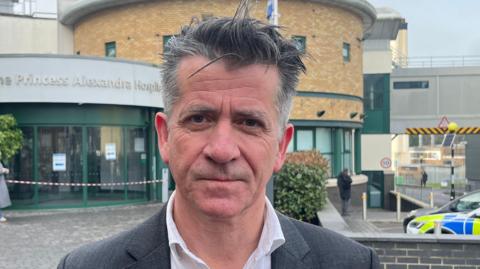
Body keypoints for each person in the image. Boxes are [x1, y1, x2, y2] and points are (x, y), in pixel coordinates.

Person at [58, 15, 379, 269]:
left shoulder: (353, 264)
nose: (222, 151)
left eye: (250, 123)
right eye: (199, 119)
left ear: (281, 146)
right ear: (165, 136)